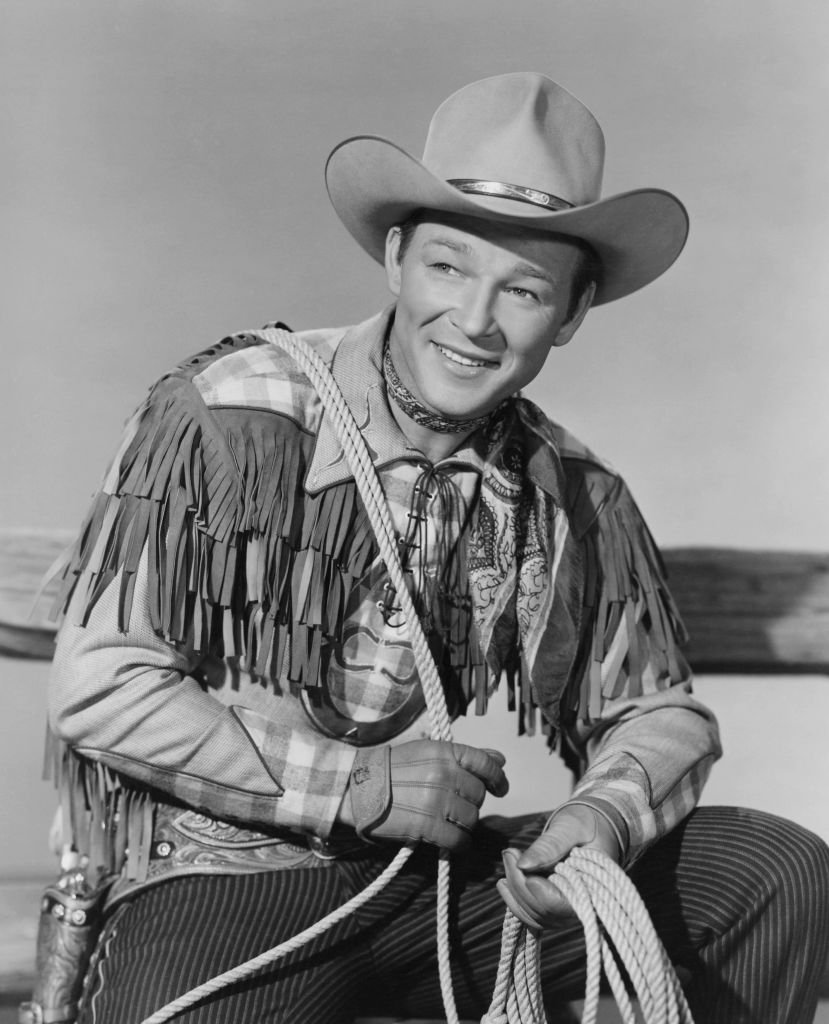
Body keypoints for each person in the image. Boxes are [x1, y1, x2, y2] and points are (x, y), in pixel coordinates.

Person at [45, 73, 829, 1024]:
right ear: (396, 257)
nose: (473, 321)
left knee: (773, 870)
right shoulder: (227, 417)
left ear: (573, 314)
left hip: (436, 883)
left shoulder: (572, 493)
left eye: (526, 290)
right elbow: (100, 685)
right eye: (449, 269)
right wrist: (358, 786)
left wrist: (597, 821)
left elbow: (657, 714)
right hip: (221, 876)